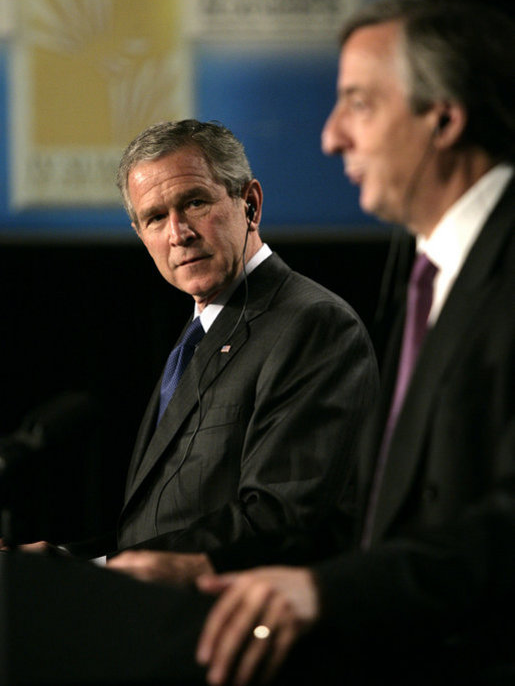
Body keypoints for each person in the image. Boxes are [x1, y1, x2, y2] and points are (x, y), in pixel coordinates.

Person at [193, 0, 515, 686]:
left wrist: (330, 594)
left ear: (443, 117)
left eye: (358, 104)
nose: (331, 136)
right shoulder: (417, 266)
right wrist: (204, 566)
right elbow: (385, 512)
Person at [62, 119, 374, 583]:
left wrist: (104, 571)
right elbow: (162, 525)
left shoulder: (311, 323)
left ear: (249, 204)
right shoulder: (199, 335)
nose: (177, 233)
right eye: (154, 217)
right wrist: (64, 563)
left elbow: (280, 516)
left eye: (194, 202)